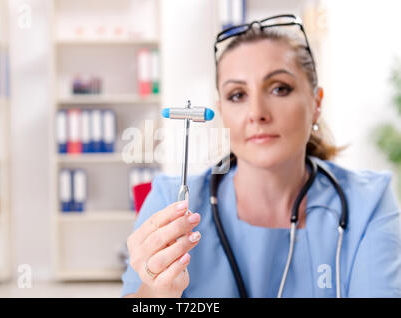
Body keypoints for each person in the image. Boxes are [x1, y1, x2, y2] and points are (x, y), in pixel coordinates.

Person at [121, 15, 401, 298]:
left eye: (279, 88)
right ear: (222, 111)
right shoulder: (172, 198)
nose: (257, 112)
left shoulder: (368, 203)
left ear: (316, 104)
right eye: (237, 95)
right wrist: (154, 294)